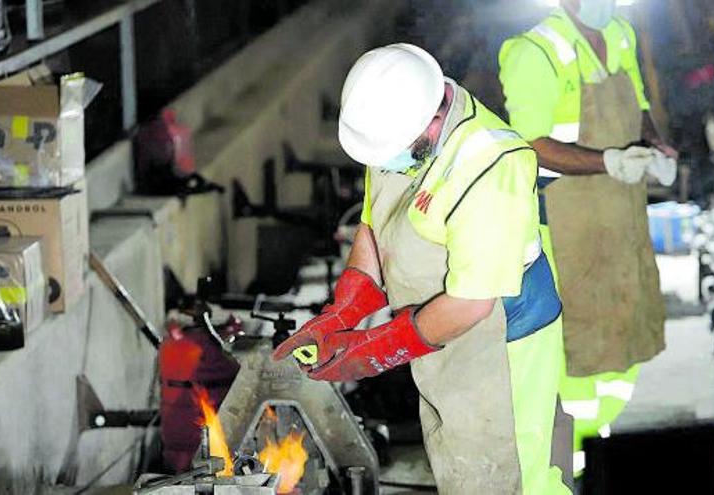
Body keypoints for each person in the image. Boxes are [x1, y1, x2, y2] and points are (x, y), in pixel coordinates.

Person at [274, 43, 573, 494]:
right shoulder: (400, 130)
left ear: (433, 121)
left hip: (503, 337)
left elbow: (471, 303)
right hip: (437, 330)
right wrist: (344, 312)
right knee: (461, 466)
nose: (384, 164)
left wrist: (373, 352)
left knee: (511, 478)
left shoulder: (492, 167)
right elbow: (376, 228)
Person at [498, 0, 676, 474]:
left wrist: (655, 144)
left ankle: (600, 439)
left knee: (623, 328)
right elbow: (531, 146)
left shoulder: (620, 32)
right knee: (578, 346)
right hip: (566, 223)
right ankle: (569, 467)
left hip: (619, 215)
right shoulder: (532, 51)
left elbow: (637, 105)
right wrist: (610, 162)